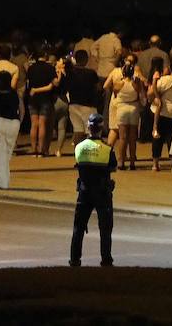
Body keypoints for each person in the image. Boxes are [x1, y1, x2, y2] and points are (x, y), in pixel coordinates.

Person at [69, 112, 116, 267]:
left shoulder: (79, 147)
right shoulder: (107, 150)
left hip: (84, 191)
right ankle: (106, 259)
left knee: (78, 228)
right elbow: (113, 167)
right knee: (105, 229)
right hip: (102, 193)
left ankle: (75, 259)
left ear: (88, 128)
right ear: (101, 129)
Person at [106, 54, 146, 170]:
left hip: (122, 109)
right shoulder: (136, 84)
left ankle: (121, 162)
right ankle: (132, 162)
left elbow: (113, 93)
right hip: (133, 109)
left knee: (122, 137)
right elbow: (141, 95)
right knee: (132, 138)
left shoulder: (118, 84)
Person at [0, 70, 23, 189]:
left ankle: (3, 184)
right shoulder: (16, 94)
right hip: (14, 124)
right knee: (6, 154)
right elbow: (22, 110)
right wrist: (18, 122)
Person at [150, 59, 172, 174]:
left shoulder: (163, 80)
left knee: (157, 139)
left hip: (162, 111)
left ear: (170, 68)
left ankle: (155, 164)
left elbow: (152, 91)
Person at [25, 50, 59, 157]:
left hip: (33, 98)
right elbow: (55, 83)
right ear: (45, 55)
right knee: (42, 123)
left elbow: (28, 82)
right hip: (45, 98)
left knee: (34, 124)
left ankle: (33, 148)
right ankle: (41, 149)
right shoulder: (49, 68)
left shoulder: (31, 68)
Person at [64, 49, 101, 138]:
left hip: (73, 104)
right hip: (88, 105)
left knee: (78, 131)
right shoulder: (91, 73)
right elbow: (98, 88)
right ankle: (89, 151)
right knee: (91, 131)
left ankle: (77, 151)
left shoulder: (70, 73)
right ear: (86, 59)